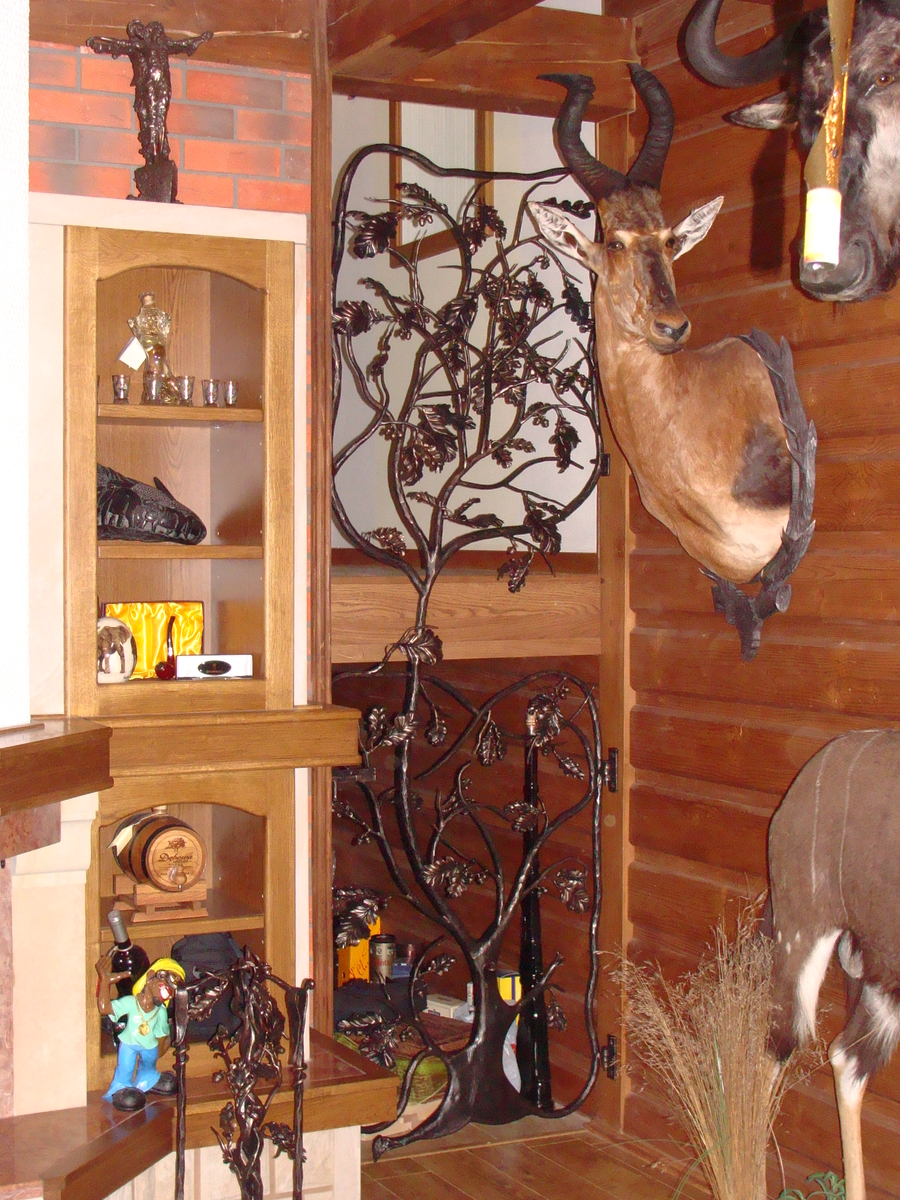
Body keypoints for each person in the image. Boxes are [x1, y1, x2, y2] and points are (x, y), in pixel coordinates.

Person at [96, 952, 185, 1110]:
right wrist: (105, 982)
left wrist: (162, 1047)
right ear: (150, 977)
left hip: (150, 1046)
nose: (168, 992)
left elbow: (163, 1035)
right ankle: (121, 1087)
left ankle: (148, 1080)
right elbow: (105, 1008)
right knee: (125, 1067)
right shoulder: (131, 1003)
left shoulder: (160, 1012)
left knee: (149, 1064)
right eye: (166, 982)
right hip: (129, 1044)